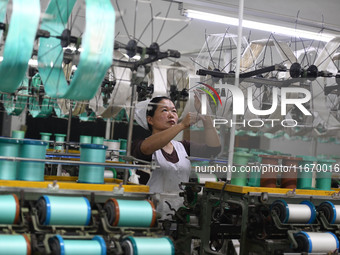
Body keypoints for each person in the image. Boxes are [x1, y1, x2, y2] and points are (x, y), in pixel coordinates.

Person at [132, 96, 221, 194]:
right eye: (164, 110)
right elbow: (147, 147)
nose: (171, 115)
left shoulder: (183, 147)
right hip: (153, 207)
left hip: (180, 208)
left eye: (174, 111)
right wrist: (182, 125)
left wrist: (206, 116)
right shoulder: (141, 144)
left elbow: (213, 149)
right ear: (150, 120)